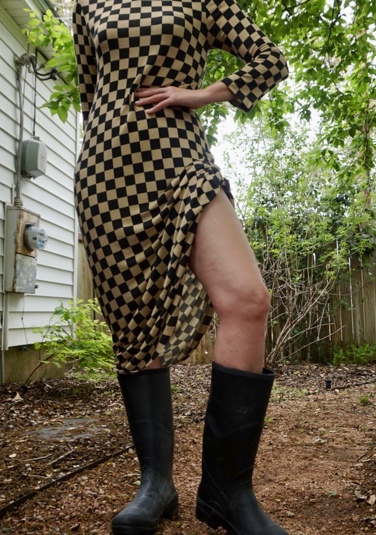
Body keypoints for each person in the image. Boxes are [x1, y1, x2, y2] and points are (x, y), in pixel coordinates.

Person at [72, 0, 289, 533]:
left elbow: (270, 60)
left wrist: (200, 95)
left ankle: (226, 491)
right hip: (106, 171)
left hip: (179, 159)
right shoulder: (89, 5)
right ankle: (156, 484)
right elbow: (89, 95)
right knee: (134, 327)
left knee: (246, 299)